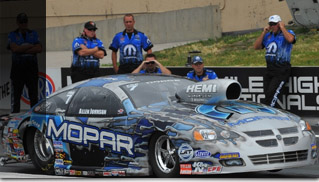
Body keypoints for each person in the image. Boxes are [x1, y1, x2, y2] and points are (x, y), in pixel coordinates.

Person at [254, 15, 296, 107]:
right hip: (270, 69)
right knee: (267, 94)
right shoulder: (268, 36)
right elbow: (256, 47)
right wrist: (263, 32)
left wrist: (282, 27)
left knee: (271, 95)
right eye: (270, 24)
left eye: (274, 24)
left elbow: (290, 40)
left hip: (281, 69)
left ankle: (268, 114)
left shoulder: (288, 33)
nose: (272, 26)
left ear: (279, 23)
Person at [7, 13, 42, 113]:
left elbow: (39, 48)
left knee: (34, 96)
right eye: (21, 22)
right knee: (16, 97)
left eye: (25, 22)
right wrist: (31, 46)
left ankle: (34, 117)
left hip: (31, 69)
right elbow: (15, 49)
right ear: (18, 23)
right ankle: (14, 118)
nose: (23, 24)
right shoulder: (12, 34)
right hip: (17, 70)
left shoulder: (33, 33)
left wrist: (21, 48)